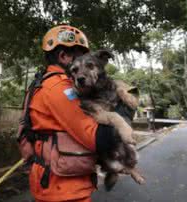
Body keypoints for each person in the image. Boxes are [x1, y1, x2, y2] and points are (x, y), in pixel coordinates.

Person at [24, 25, 117, 202]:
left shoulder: (42, 82)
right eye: (81, 57)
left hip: (55, 185)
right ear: (64, 56)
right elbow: (100, 139)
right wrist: (124, 110)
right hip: (64, 191)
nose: (85, 64)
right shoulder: (60, 87)